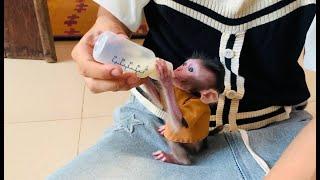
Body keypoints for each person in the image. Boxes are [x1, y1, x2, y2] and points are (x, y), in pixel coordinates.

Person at [48, 1, 316, 179]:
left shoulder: (193, 101)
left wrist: (164, 83)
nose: (179, 70)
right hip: (153, 127)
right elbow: (115, 11)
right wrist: (108, 29)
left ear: (208, 95)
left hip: (282, 137)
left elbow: (183, 118)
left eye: (188, 70)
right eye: (186, 66)